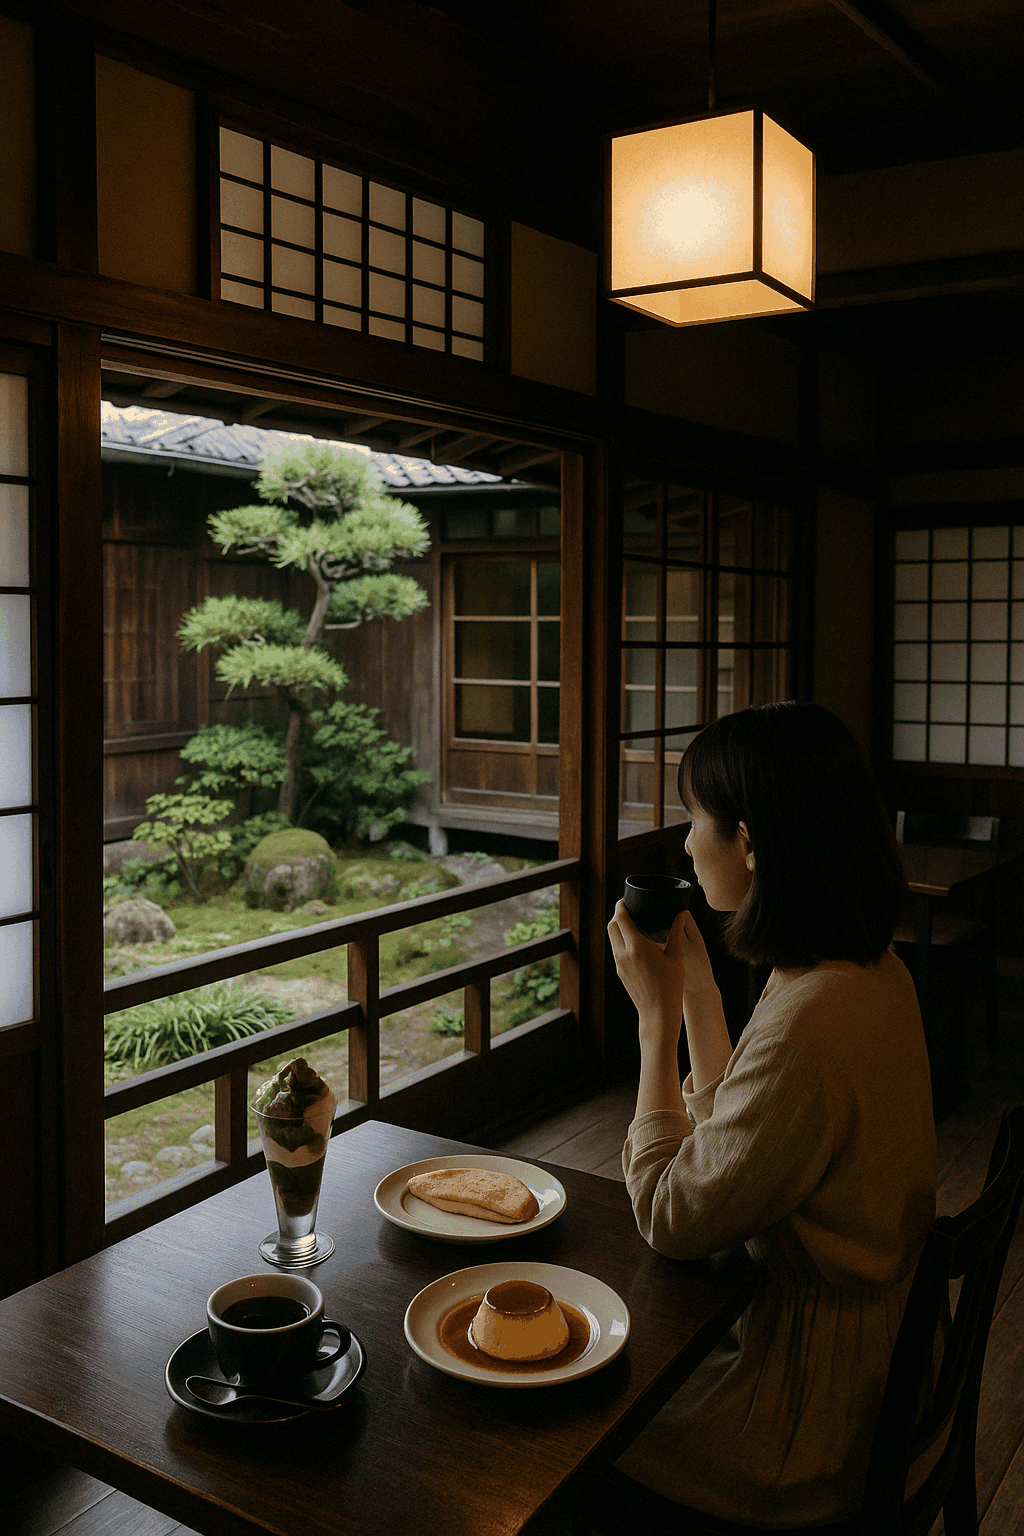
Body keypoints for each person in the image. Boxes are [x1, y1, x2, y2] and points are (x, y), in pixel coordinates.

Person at [602, 701, 936, 1529]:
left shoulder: (812, 1020)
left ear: (748, 843)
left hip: (803, 1414)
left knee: (569, 1443)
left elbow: (674, 1215)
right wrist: (701, 1001)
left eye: (696, 819)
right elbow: (745, 1149)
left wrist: (653, 1026)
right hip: (881, 1361)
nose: (685, 844)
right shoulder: (864, 970)